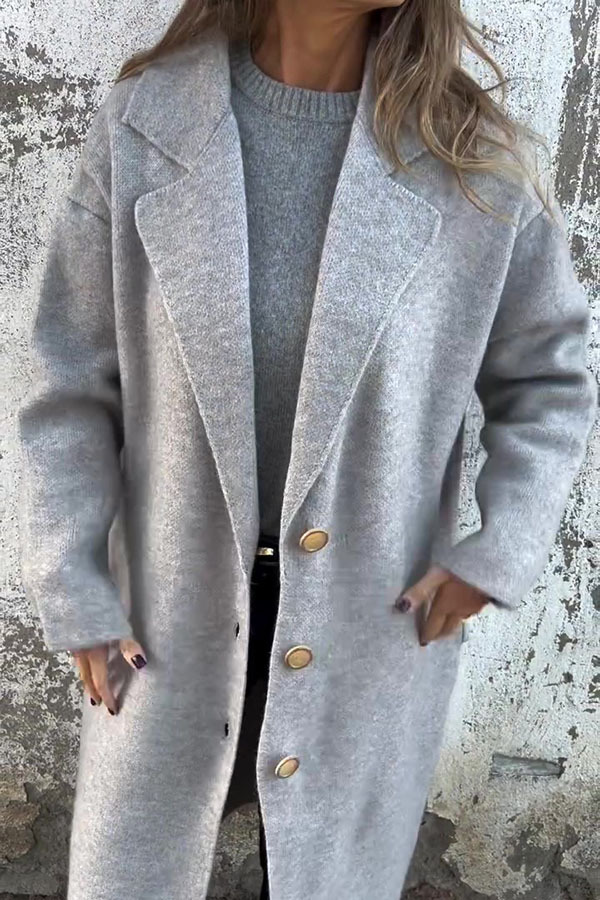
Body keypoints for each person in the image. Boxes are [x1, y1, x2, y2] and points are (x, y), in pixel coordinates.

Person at [17, 2, 596, 899]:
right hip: (166, 622)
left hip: (369, 626)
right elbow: (70, 387)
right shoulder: (145, 126)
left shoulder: (471, 160)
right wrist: (73, 584)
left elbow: (549, 383)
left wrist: (496, 553)